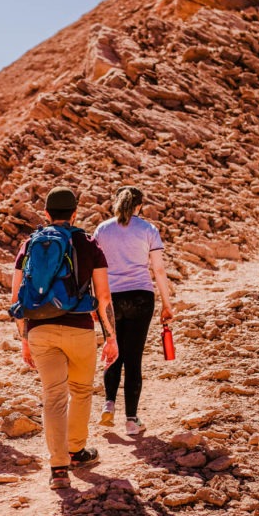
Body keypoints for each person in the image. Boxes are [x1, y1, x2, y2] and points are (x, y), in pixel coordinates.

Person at [11, 186, 118, 489]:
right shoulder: (88, 243)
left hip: (40, 331)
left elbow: (17, 293)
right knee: (81, 391)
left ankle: (58, 469)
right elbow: (104, 295)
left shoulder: (30, 243)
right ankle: (76, 451)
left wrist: (24, 338)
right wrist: (111, 337)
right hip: (79, 328)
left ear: (45, 214)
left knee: (53, 398)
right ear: (74, 213)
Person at [93, 185, 174, 435]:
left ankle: (109, 404)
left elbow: (94, 269)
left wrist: (95, 302)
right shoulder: (149, 229)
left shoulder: (102, 229)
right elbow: (158, 270)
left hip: (111, 298)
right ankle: (131, 420)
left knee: (112, 350)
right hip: (141, 296)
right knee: (133, 358)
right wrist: (167, 305)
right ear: (140, 205)